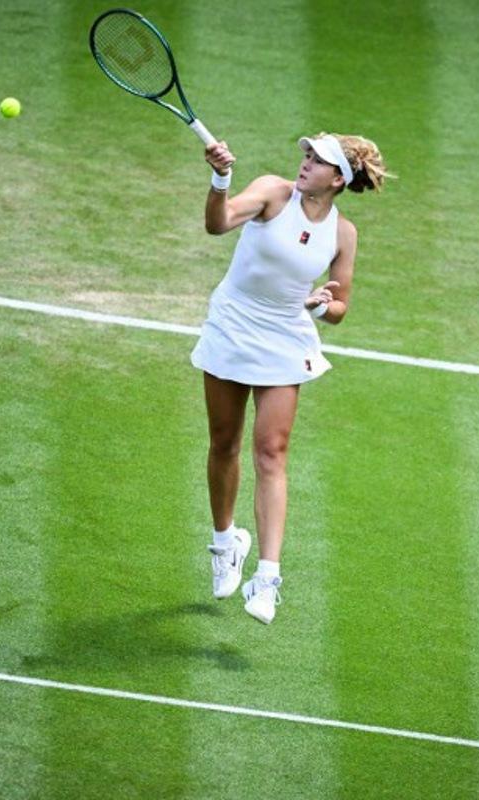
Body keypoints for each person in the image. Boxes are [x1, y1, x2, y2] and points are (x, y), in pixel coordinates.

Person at [191, 132, 391, 624]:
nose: (304, 164)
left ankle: (268, 576)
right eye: (306, 155)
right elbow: (217, 225)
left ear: (338, 179)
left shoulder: (343, 233)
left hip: (285, 335)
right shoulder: (272, 192)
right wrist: (220, 179)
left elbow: (340, 305)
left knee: (271, 450)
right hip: (234, 323)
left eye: (317, 161)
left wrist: (324, 307)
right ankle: (226, 542)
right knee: (224, 443)